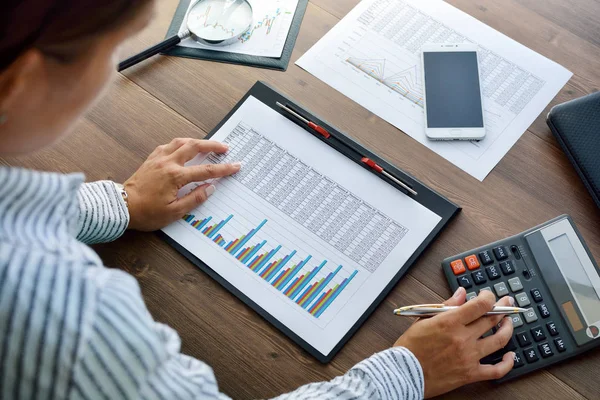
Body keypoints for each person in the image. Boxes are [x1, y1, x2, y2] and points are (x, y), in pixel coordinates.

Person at [0, 0, 516, 398]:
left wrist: (123, 203)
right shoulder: (72, 316)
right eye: (111, 47)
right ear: (20, 82)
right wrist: (408, 373)